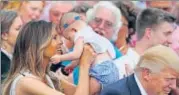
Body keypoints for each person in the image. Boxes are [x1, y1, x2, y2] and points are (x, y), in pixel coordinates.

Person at [2, 20, 95, 95]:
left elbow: (88, 92)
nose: (61, 42)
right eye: (54, 37)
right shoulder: (25, 81)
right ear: (38, 45)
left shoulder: (49, 77)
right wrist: (84, 65)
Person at [50, 12, 119, 95]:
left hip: (100, 70)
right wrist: (72, 65)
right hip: (112, 69)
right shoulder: (90, 34)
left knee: (87, 92)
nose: (71, 41)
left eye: (69, 37)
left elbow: (76, 54)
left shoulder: (79, 36)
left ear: (74, 30)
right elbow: (81, 57)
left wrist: (60, 58)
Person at [114, 8, 176, 79]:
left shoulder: (164, 69)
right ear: (149, 33)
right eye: (166, 34)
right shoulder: (119, 68)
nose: (170, 41)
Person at [100, 45, 179, 95]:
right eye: (169, 79)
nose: (173, 86)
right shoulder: (115, 93)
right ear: (147, 74)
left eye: (175, 80)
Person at [1, 10, 23, 82]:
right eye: (18, 29)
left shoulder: (16, 55)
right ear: (4, 35)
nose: (23, 32)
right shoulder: (2, 63)